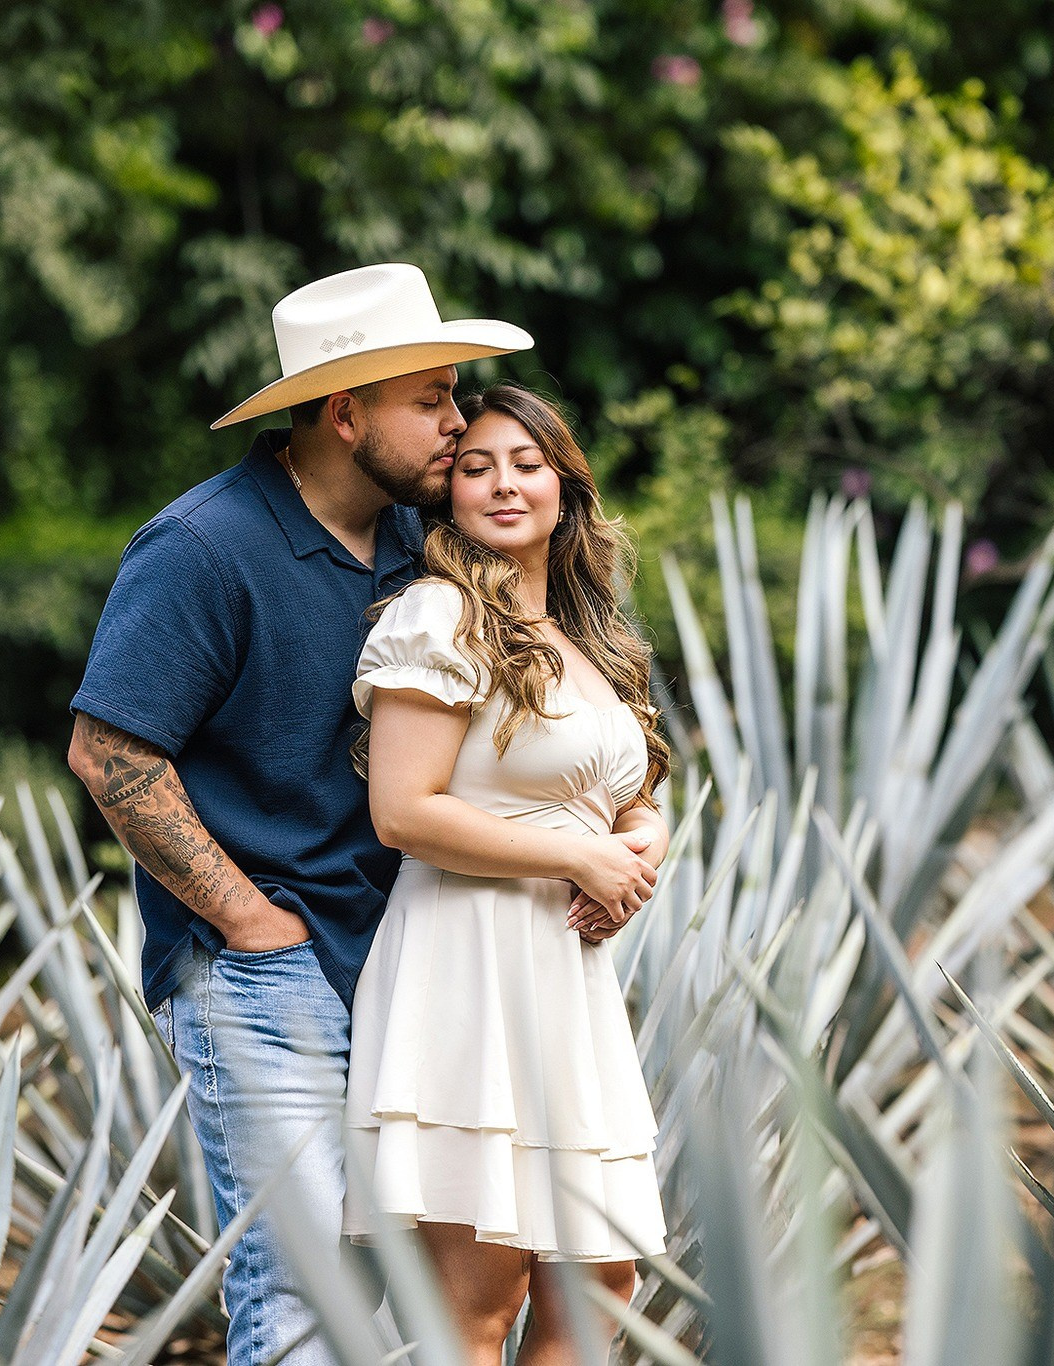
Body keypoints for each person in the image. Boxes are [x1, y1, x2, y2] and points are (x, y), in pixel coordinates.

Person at [65, 262, 534, 1366]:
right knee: (301, 1287)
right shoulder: (201, 549)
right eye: (432, 399)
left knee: (415, 1284)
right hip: (264, 970)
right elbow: (108, 749)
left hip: (403, 954)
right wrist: (247, 920)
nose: (457, 424)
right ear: (342, 413)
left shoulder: (422, 550)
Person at [343, 382, 671, 1365]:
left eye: (525, 464)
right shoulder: (435, 617)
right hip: (465, 963)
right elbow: (403, 811)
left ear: (564, 487)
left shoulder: (589, 636)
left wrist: (640, 843)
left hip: (563, 978)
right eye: (474, 466)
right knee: (481, 1288)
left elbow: (630, 792)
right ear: (446, 496)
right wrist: (577, 854)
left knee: (598, 1279)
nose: (500, 484)